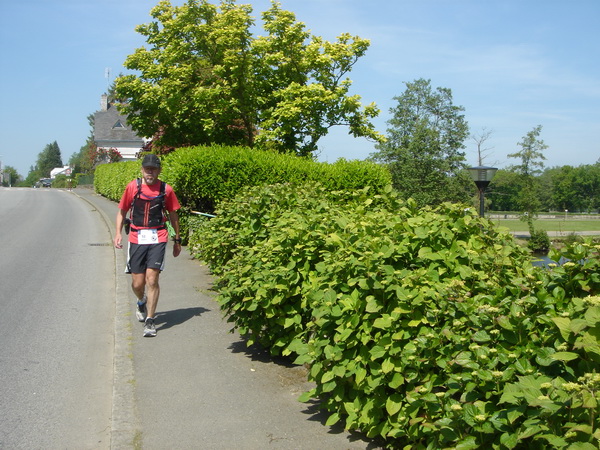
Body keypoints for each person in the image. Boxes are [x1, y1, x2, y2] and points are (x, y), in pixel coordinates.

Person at [114, 154, 182, 337]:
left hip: (158, 237)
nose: (150, 172)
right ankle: (141, 300)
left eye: (153, 169)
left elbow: (174, 215)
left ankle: (150, 321)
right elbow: (122, 211)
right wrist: (118, 234)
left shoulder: (166, 190)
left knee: (152, 280)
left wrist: (177, 240)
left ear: (159, 170)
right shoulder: (132, 187)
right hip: (136, 237)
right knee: (138, 283)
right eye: (147, 168)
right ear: (142, 169)